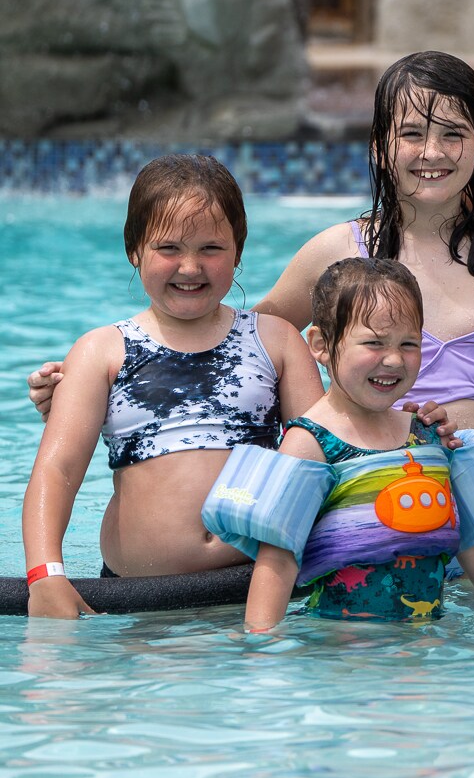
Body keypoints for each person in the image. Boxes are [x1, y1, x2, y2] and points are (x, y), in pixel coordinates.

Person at [254, 54, 474, 588]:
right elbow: (248, 338)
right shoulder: (335, 252)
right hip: (368, 504)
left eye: (453, 134)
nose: (432, 153)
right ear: (379, 147)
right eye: (411, 134)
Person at [19, 155, 325, 618]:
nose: (189, 266)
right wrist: (45, 575)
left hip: (259, 586)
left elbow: (328, 456)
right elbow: (58, 469)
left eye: (211, 249)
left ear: (238, 252)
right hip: (134, 597)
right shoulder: (103, 350)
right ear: (134, 251)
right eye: (168, 248)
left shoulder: (276, 341)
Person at [218, 259, 474, 631]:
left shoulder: (426, 435)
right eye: (374, 343)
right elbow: (279, 561)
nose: (394, 359)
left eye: (409, 343)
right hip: (345, 652)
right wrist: (261, 648)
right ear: (321, 344)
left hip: (428, 646)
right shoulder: (310, 444)